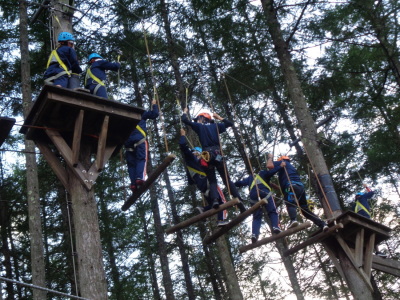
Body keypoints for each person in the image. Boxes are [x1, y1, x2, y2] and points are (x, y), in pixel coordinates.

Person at [181, 108, 246, 213]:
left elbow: (185, 120)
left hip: (207, 156)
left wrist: (184, 111)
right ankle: (239, 199)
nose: (196, 121)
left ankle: (215, 200)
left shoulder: (199, 127)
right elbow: (230, 124)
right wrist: (219, 117)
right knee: (227, 179)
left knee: (212, 181)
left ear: (202, 118)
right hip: (218, 154)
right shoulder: (216, 126)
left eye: (198, 119)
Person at [179, 129, 228, 226]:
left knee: (214, 205)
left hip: (203, 187)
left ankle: (203, 209)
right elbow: (183, 146)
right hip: (209, 183)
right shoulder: (195, 160)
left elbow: (191, 182)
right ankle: (221, 220)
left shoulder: (190, 166)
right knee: (222, 201)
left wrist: (220, 158)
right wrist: (183, 135)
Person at [267, 155, 328, 231]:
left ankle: (293, 220)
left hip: (291, 187)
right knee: (305, 210)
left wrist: (270, 157)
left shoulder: (282, 162)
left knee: (290, 203)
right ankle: (323, 224)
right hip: (299, 188)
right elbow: (287, 187)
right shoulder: (291, 168)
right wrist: (275, 186)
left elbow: (269, 165)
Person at [235, 155, 283, 243]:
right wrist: (280, 166)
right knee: (272, 211)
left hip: (253, 195)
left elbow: (240, 183)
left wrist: (231, 183)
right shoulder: (263, 173)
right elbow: (271, 172)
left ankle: (254, 234)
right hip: (264, 192)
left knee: (256, 217)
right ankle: (275, 226)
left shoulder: (250, 178)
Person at [125, 99, 159, 192]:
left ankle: (133, 184)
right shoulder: (142, 114)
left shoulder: (125, 117)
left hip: (128, 142)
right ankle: (139, 178)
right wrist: (154, 105)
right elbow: (155, 114)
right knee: (141, 159)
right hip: (139, 139)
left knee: (131, 164)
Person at [353, 184, 387, 258]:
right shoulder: (362, 198)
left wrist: (366, 187)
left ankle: (374, 251)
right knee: (370, 234)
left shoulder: (356, 203)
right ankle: (376, 251)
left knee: (368, 234)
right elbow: (371, 192)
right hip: (365, 218)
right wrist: (366, 187)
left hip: (360, 219)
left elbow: (371, 193)